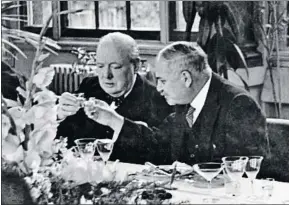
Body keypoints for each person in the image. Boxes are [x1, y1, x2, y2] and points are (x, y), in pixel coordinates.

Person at [85, 41, 269, 167]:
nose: (158, 88)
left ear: (186, 78)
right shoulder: (186, 100)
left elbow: (246, 168)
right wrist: (113, 120)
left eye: (162, 81)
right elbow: (158, 144)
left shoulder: (238, 105)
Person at [56, 32, 172, 163]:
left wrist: (114, 120)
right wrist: (60, 115)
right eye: (100, 66)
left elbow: (159, 154)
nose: (106, 75)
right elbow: (64, 141)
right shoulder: (89, 86)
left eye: (116, 67)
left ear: (136, 66)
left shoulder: (157, 99)